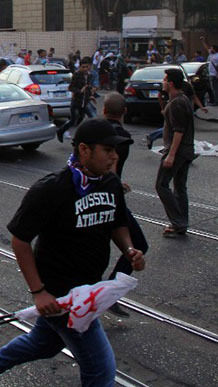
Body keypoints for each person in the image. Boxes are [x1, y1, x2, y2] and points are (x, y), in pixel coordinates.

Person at [0, 118, 145, 386]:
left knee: (45, 343)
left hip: (90, 287)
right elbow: (20, 240)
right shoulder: (51, 189)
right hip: (63, 295)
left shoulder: (110, 183)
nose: (114, 156)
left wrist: (129, 249)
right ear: (84, 150)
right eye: (107, 150)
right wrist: (39, 292)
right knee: (101, 371)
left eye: (115, 150)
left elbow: (117, 223)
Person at [101, 93, 148, 317]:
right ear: (125, 112)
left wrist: (117, 181)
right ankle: (107, 295)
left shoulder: (93, 130)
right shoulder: (121, 137)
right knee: (138, 244)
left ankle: (101, 295)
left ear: (103, 110)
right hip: (108, 198)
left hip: (96, 195)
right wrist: (115, 183)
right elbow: (111, 167)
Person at [155, 69, 195, 238]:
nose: (163, 82)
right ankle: (181, 223)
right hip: (186, 151)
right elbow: (168, 116)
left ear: (171, 83)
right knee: (179, 187)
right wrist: (161, 102)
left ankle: (178, 222)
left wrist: (171, 155)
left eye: (165, 80)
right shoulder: (180, 100)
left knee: (161, 185)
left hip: (178, 151)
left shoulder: (178, 102)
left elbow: (178, 131)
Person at [57, 57, 94, 142]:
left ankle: (77, 136)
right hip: (76, 101)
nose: (85, 69)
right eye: (83, 67)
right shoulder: (77, 74)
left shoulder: (89, 75)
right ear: (80, 66)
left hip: (84, 101)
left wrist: (90, 95)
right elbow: (71, 88)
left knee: (81, 119)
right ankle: (61, 131)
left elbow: (87, 87)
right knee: (73, 120)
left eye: (87, 66)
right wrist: (80, 91)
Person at [200, 36, 218, 105]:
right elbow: (206, 48)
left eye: (212, 48)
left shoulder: (217, 56)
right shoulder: (211, 54)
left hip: (214, 74)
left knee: (215, 88)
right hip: (211, 74)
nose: (210, 49)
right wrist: (203, 41)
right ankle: (215, 100)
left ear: (215, 49)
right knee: (213, 88)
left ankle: (216, 101)